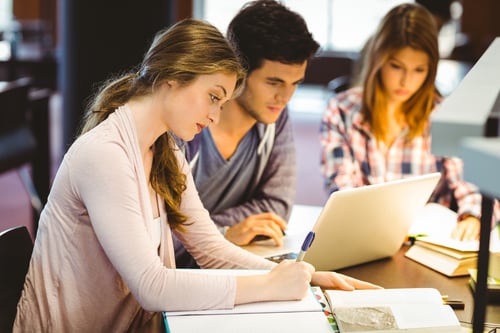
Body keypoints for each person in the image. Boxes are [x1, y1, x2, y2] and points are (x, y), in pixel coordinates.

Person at [14, 19, 378, 332]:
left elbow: (210, 249)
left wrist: (305, 274)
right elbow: (152, 287)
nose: (216, 116)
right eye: (213, 97)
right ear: (172, 79)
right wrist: (270, 284)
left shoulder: (165, 150)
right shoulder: (105, 154)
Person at [319, 3, 499, 242]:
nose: (406, 81)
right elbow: (342, 189)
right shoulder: (342, 109)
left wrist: (472, 217)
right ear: (378, 60)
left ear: (431, 69)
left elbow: (471, 185)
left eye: (419, 70)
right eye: (396, 66)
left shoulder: (443, 114)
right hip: (365, 239)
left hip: (426, 246)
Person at [174, 0, 320, 267]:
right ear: (237, 70)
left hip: (224, 269)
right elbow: (156, 234)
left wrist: (213, 231)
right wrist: (224, 234)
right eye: (273, 82)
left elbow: (276, 208)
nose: (285, 97)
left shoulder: (275, 116)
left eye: (295, 84)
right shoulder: (185, 126)